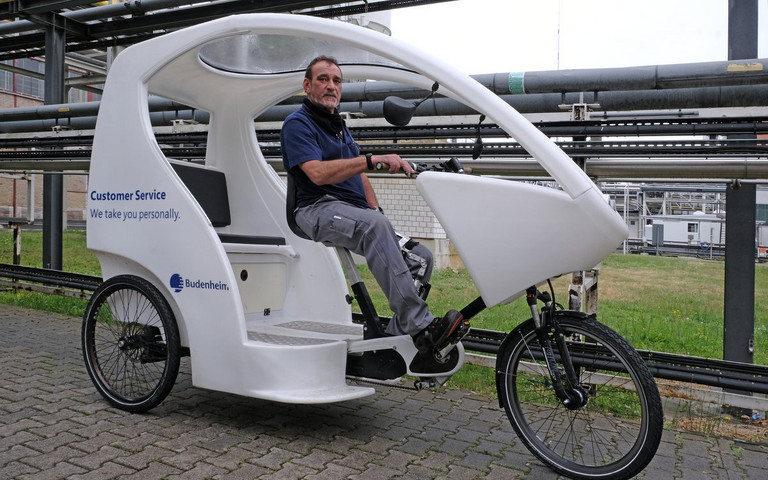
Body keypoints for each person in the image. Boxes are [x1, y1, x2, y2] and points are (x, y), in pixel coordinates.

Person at [281, 55, 464, 354]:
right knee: (375, 227)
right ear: (307, 85)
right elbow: (315, 173)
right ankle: (421, 325)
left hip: (353, 212)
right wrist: (371, 159)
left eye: (336, 81)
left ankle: (389, 343)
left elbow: (359, 175)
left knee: (421, 257)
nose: (331, 86)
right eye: (323, 79)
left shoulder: (339, 127)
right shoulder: (297, 124)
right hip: (316, 209)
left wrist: (377, 212)